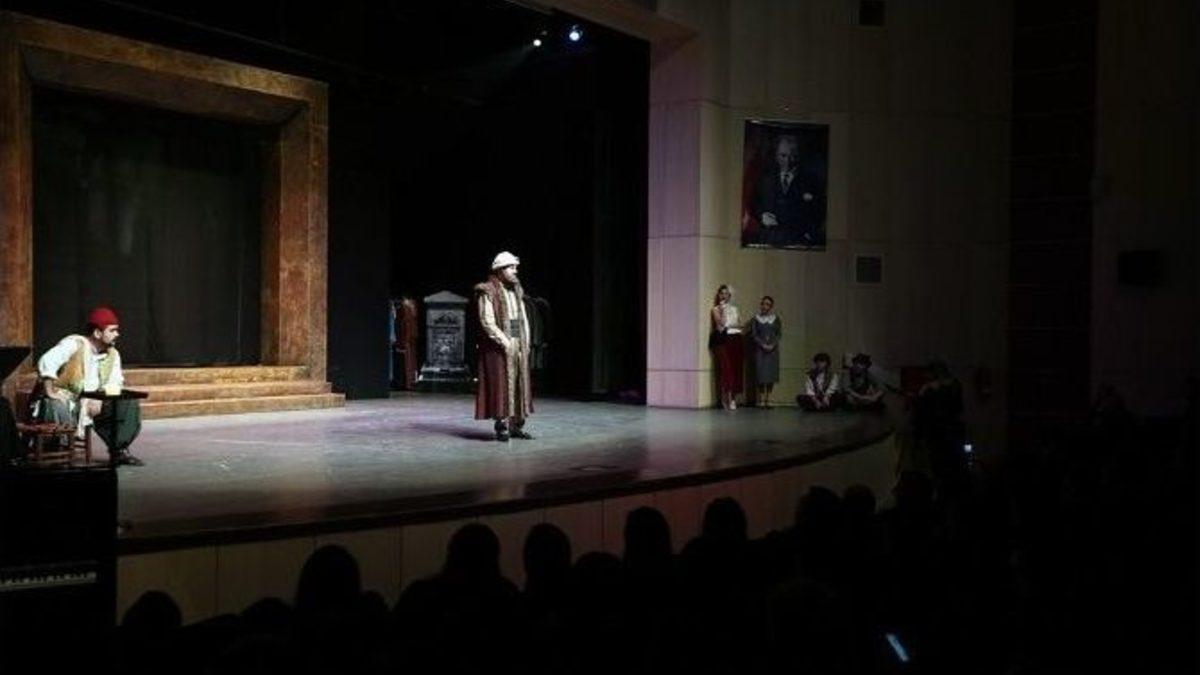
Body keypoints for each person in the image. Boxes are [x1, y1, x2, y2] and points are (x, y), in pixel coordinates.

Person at [34, 306, 143, 465]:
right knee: (56, 404)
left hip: (90, 402)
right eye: (112, 330)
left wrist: (100, 397)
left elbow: (114, 381)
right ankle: (58, 451)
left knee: (126, 402)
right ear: (97, 333)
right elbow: (47, 360)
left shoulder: (113, 354)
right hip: (66, 400)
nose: (117, 334)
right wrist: (50, 391)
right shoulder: (75, 344)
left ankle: (118, 450)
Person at [474, 251, 533, 442]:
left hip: (515, 343)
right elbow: (487, 321)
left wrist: (522, 341)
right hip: (497, 347)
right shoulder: (487, 291)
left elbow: (518, 319)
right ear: (500, 270)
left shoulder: (515, 290)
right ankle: (502, 425)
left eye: (516, 267)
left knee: (518, 383)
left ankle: (516, 425)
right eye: (511, 267)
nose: (515, 271)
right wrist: (505, 342)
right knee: (501, 386)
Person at [751, 135, 824, 247]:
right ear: (776, 156)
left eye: (793, 156)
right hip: (769, 240)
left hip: (799, 242)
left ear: (799, 156)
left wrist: (809, 235)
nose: (788, 161)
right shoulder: (765, 179)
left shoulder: (811, 181)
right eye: (783, 155)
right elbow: (754, 203)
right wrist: (762, 215)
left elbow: (820, 209)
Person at [710, 284, 744, 410]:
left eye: (726, 293)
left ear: (729, 296)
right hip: (723, 341)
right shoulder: (715, 309)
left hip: (736, 338)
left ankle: (733, 399)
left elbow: (740, 325)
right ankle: (726, 398)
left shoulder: (735, 309)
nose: (723, 295)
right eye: (721, 293)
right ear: (718, 295)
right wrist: (723, 309)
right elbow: (721, 325)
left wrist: (732, 325)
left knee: (735, 369)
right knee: (726, 369)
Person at [749, 296, 781, 407]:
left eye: (767, 304)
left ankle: (769, 399)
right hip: (760, 350)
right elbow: (754, 334)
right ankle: (762, 399)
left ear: (771, 306)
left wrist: (772, 345)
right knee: (761, 375)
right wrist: (762, 344)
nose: (764, 306)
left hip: (772, 350)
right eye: (763, 304)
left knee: (771, 375)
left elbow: (778, 334)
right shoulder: (756, 319)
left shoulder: (775, 319)